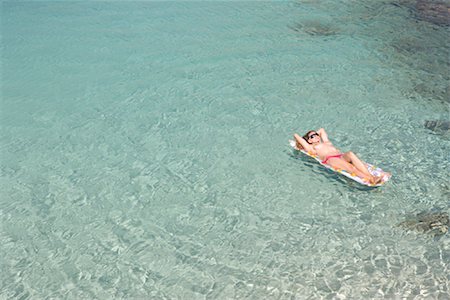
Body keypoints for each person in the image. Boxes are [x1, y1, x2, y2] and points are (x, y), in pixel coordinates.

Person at [294, 128, 384, 184]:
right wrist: (306, 141)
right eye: (313, 136)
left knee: (350, 154)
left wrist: (314, 135)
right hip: (330, 159)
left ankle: (369, 175)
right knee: (350, 167)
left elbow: (321, 130)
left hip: (340, 156)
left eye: (316, 134)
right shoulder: (312, 148)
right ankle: (370, 178)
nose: (317, 136)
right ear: (309, 141)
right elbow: (296, 135)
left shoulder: (326, 142)